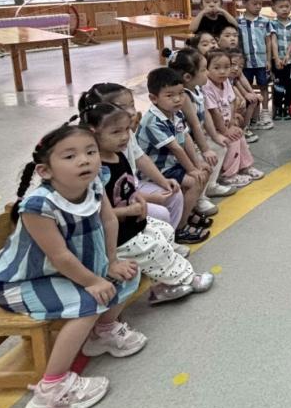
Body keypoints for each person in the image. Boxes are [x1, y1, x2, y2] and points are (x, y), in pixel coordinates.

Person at [0, 125, 145, 408]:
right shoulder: (38, 206)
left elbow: (109, 221)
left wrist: (112, 262)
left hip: (71, 271)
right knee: (88, 303)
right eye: (70, 156)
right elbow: (58, 255)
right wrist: (93, 281)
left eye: (90, 152)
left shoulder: (94, 184)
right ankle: (51, 390)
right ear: (45, 171)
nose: (84, 160)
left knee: (127, 274)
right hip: (22, 282)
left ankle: (102, 333)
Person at [82, 103, 214, 306]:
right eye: (116, 132)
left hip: (132, 222)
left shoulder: (118, 154)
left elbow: (128, 185)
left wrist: (139, 198)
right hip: (115, 236)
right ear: (93, 133)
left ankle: (162, 284)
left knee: (164, 231)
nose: (125, 137)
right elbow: (99, 214)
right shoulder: (96, 170)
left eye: (127, 130)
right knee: (154, 247)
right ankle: (186, 278)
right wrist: (129, 210)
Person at [78, 84, 185, 228]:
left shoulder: (125, 133)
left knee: (174, 194)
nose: (131, 111)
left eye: (132, 105)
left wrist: (163, 181)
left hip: (132, 186)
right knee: (161, 213)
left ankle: (172, 234)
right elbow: (113, 196)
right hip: (120, 197)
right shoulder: (97, 156)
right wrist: (150, 198)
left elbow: (141, 157)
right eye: (121, 107)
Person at [136, 67, 210, 244]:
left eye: (181, 93)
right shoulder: (152, 121)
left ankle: (187, 213)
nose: (177, 99)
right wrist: (192, 170)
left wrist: (197, 164)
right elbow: (176, 148)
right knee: (195, 182)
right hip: (157, 170)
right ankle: (180, 227)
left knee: (203, 172)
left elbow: (186, 138)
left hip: (171, 164)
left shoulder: (176, 113)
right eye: (170, 95)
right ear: (154, 98)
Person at [169, 49, 235, 200]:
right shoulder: (185, 96)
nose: (207, 73)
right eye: (204, 70)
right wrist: (205, 149)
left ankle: (210, 185)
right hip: (187, 144)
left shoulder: (198, 88)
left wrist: (215, 136)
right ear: (188, 77)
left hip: (198, 139)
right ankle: (199, 198)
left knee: (220, 145)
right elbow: (194, 125)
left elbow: (205, 115)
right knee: (206, 157)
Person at [203, 49, 264, 187]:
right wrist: (225, 130)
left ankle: (245, 166)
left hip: (225, 125)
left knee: (239, 134)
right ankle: (229, 175)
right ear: (207, 69)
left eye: (226, 67)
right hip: (212, 129)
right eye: (216, 68)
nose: (222, 71)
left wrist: (231, 124)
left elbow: (231, 102)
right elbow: (214, 112)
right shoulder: (207, 87)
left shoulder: (226, 82)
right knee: (233, 139)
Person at [237, 0, 274, 129]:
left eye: (260, 3)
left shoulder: (265, 21)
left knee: (263, 86)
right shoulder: (238, 22)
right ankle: (251, 115)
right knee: (246, 88)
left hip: (261, 61)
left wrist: (268, 60)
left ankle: (265, 112)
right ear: (244, 3)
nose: (258, 6)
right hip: (245, 63)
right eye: (254, 3)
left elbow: (268, 41)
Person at [268, 0, 291, 121]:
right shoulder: (272, 24)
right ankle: (277, 107)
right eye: (281, 7)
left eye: (287, 6)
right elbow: (273, 42)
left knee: (290, 85)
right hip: (278, 61)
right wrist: (276, 58)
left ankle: (288, 107)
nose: (285, 9)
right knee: (278, 85)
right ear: (274, 8)